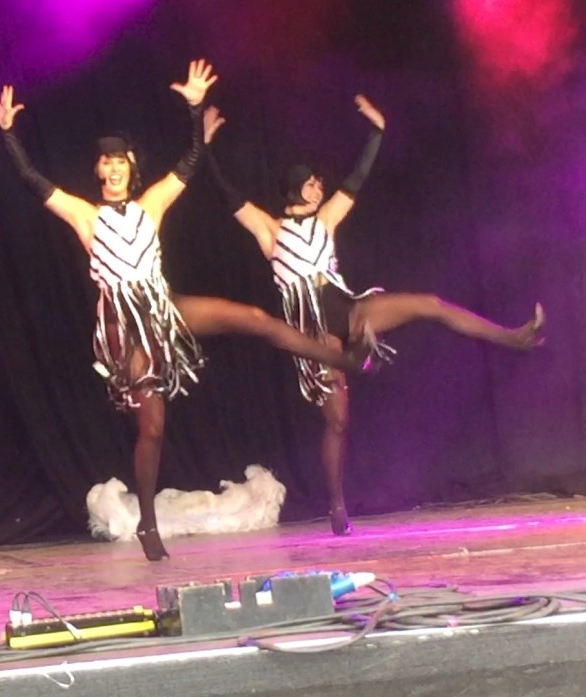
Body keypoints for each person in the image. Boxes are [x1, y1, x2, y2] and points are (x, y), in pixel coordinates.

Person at [0, 60, 371, 561]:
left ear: (131, 166)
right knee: (152, 426)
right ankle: (148, 521)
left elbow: (191, 161)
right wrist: (8, 133)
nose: (110, 169)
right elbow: (29, 178)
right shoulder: (85, 216)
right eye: (103, 164)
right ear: (97, 171)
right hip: (126, 329)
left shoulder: (151, 204)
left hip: (165, 310)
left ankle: (345, 361)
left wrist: (194, 108)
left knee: (255, 319)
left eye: (118, 162)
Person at [203, 96, 545, 536]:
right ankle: (336, 503)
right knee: (338, 420)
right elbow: (228, 195)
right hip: (313, 328)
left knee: (431, 304)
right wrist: (206, 146)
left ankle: (513, 337)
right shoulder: (271, 230)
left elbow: (356, 181)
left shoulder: (326, 219)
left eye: (318, 183)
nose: (318, 188)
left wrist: (378, 132)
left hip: (347, 307)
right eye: (310, 184)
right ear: (294, 187)